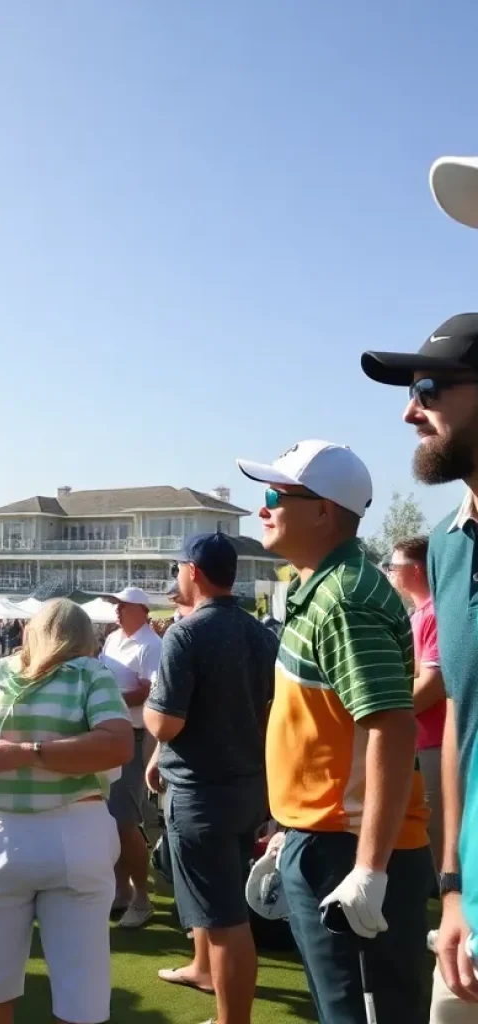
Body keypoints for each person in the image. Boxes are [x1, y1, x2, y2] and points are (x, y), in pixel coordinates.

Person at [237, 439, 431, 1024]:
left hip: (348, 847)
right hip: (326, 836)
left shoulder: (345, 597)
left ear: (324, 511)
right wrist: (291, 825)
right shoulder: (321, 586)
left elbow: (391, 729)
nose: (263, 507)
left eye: (276, 494)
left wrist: (369, 869)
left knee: (357, 1011)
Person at [0, 598, 134, 1024]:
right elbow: (119, 742)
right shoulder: (90, 672)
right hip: (71, 835)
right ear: (84, 639)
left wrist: (16, 754)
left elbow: (117, 744)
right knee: (79, 998)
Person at [362, 315, 478, 1018]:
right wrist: (457, 885)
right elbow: (463, 717)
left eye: (428, 389)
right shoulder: (447, 546)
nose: (410, 411)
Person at [143, 534, 277, 1024]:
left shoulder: (187, 633)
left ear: (193, 571)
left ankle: (230, 1019)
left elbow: (165, 722)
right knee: (220, 910)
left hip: (202, 792)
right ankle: (204, 973)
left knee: (225, 921)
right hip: (248, 786)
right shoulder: (259, 631)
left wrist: (153, 715)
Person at [100, 585, 160, 930]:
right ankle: (121, 891)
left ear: (141, 610)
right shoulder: (112, 639)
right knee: (112, 819)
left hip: (134, 737)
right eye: (116, 605)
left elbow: (148, 692)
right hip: (114, 732)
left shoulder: (152, 645)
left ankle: (142, 898)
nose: (117, 611)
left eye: (123, 606)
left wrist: (106, 697)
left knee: (125, 820)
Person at [386, 536, 446, 872]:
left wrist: (391, 712)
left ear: (417, 570)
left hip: (435, 742)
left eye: (396, 566)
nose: (391, 572)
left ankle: (454, 913)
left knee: (438, 830)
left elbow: (432, 685)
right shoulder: (418, 615)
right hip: (420, 740)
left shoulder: (434, 615)